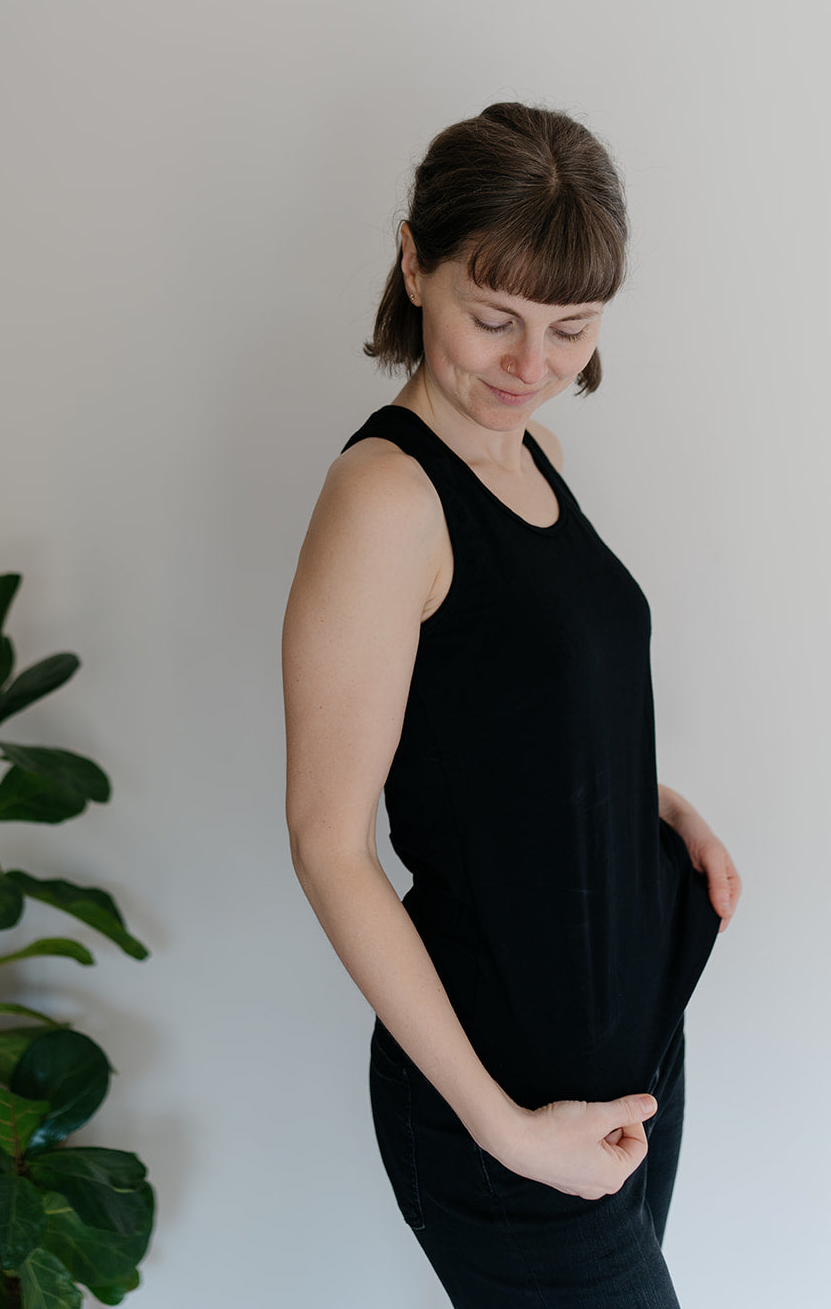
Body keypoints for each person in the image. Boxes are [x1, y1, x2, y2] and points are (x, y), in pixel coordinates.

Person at [282, 101, 742, 1308]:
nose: (528, 367)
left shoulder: (520, 452)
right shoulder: (385, 496)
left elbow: (496, 722)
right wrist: (501, 1128)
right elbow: (329, 848)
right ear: (411, 263)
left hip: (624, 1064)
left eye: (567, 329)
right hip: (509, 1105)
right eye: (493, 319)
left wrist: (652, 805)